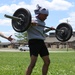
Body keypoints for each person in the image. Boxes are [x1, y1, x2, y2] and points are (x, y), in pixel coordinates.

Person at [26, 5, 55, 75]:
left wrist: (49, 29)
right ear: (39, 14)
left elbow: (42, 32)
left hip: (41, 42)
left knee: (47, 62)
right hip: (34, 42)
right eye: (45, 15)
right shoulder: (31, 19)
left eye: (47, 16)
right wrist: (29, 23)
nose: (46, 17)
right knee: (32, 63)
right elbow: (22, 24)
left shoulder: (43, 23)